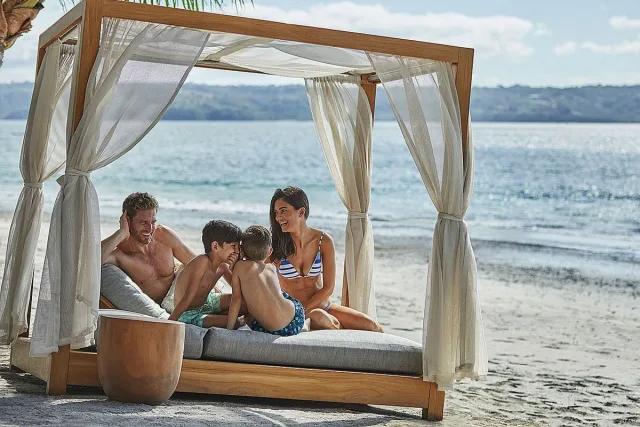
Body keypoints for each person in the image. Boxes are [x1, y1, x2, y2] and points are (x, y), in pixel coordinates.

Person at [269, 186, 383, 332]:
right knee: (318, 316)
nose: (278, 217)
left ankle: (337, 327)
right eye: (276, 213)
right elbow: (254, 279)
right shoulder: (274, 246)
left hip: (323, 307)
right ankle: (336, 327)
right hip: (292, 313)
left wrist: (303, 311)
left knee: (373, 326)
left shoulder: (323, 241)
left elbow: (328, 288)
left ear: (301, 212)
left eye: (283, 211)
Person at [101, 192, 196, 304]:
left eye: (153, 222)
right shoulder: (119, 254)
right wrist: (121, 233)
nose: (150, 228)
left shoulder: (164, 235)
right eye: (144, 223)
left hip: (183, 299)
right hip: (161, 313)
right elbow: (91, 261)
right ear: (127, 220)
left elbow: (195, 262)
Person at [226, 226, 305, 336]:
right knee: (281, 295)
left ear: (241, 251)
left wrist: (228, 330)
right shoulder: (271, 267)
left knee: (249, 318)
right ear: (270, 251)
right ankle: (306, 325)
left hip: (274, 330)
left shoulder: (239, 267)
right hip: (297, 319)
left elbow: (236, 300)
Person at [168, 220, 243, 328]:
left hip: (208, 302)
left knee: (245, 304)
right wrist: (170, 323)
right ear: (215, 246)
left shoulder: (223, 266)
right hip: (188, 313)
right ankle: (216, 318)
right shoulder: (202, 262)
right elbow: (188, 296)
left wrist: (235, 266)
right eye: (233, 246)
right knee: (235, 322)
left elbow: (239, 292)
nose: (237, 251)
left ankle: (214, 317)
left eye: (238, 247)